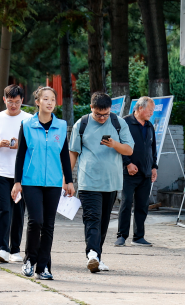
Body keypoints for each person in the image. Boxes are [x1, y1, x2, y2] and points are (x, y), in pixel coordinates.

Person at [69, 92, 134, 273]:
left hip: (111, 182)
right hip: (88, 181)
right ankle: (92, 253)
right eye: (98, 114)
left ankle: (97, 256)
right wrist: (67, 180)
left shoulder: (119, 123)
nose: (102, 118)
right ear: (91, 108)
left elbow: (128, 150)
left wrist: (114, 144)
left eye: (105, 114)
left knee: (104, 222)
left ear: (110, 110)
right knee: (92, 218)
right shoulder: (81, 124)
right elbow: (73, 152)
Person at [12, 86, 73, 280]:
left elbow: (64, 155)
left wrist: (69, 181)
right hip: (31, 181)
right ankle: (30, 260)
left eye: (53, 100)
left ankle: (44, 267)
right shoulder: (27, 124)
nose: (50, 103)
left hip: (54, 182)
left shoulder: (61, 126)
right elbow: (20, 155)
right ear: (37, 102)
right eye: (45, 99)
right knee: (35, 221)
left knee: (49, 225)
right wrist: (17, 182)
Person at [0, 85, 31, 263]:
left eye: (17, 102)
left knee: (18, 211)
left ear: (22, 101)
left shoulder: (28, 119)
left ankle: (15, 249)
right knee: (2, 210)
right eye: (10, 102)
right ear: (4, 100)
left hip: (22, 174)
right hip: (0, 171)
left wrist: (21, 145)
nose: (13, 105)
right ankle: (1, 248)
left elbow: (35, 146)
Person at [115, 96, 157, 247]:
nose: (152, 113)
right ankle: (121, 236)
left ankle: (138, 237)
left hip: (145, 173)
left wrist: (154, 167)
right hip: (129, 172)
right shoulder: (125, 123)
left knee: (142, 205)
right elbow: (119, 146)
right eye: (150, 110)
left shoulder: (149, 126)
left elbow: (153, 149)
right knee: (126, 203)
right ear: (140, 108)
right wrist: (127, 164)